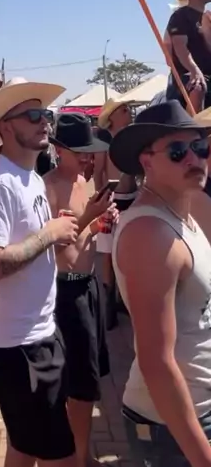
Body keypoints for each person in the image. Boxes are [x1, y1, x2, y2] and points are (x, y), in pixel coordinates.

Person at [0, 77, 79, 467]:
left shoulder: (30, 177)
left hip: (36, 333)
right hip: (19, 343)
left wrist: (58, 231)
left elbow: (33, 244)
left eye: (45, 114)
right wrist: (49, 233)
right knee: (60, 457)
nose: (44, 121)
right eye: (32, 115)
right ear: (5, 126)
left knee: (25, 444)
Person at [110, 100, 211, 467]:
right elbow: (156, 362)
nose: (194, 158)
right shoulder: (150, 233)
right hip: (172, 428)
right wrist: (203, 460)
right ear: (147, 161)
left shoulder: (184, 213)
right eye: (177, 151)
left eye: (200, 147)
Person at [45, 114, 116, 467]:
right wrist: (90, 216)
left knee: (86, 385)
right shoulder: (46, 187)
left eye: (90, 151)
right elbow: (50, 246)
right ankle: (73, 461)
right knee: (69, 385)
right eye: (81, 151)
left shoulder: (84, 183)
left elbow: (84, 236)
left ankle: (82, 458)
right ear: (59, 150)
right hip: (62, 293)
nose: (88, 157)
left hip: (87, 287)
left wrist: (101, 221)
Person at [94, 99, 136, 328]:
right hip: (112, 200)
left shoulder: (131, 140)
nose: (130, 112)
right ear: (113, 117)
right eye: (125, 110)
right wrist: (102, 201)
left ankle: (121, 299)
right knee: (108, 251)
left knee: (127, 250)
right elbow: (98, 173)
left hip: (133, 199)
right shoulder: (104, 143)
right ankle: (109, 305)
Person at [165, 0, 211, 112]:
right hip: (187, 75)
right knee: (198, 86)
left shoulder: (208, 18)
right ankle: (194, 124)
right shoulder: (181, 16)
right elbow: (180, 47)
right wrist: (195, 71)